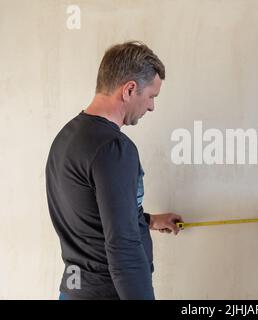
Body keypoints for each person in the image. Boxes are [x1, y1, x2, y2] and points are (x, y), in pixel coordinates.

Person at [46, 41, 182, 300]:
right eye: (151, 96)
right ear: (130, 89)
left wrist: (148, 220)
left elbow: (89, 211)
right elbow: (123, 247)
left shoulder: (67, 137)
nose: (152, 106)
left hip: (74, 290)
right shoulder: (114, 148)